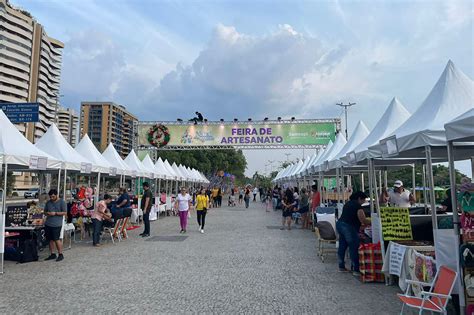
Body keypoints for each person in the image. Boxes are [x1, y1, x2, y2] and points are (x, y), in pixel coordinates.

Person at [336, 191, 371, 276]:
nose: (364, 202)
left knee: (342, 246)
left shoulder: (347, 204)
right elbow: (362, 219)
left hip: (340, 224)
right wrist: (372, 221)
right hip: (348, 227)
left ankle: (341, 266)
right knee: (354, 247)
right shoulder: (357, 206)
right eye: (363, 200)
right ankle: (356, 269)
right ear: (359, 198)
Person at [43, 189, 67, 262]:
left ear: (56, 195)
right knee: (50, 239)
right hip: (48, 223)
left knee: (56, 239)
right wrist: (47, 213)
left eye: (53, 196)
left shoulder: (62, 202)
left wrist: (55, 213)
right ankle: (52, 254)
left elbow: (65, 212)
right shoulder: (48, 202)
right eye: (50, 197)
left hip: (56, 224)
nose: (52, 198)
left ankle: (60, 254)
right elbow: (45, 211)